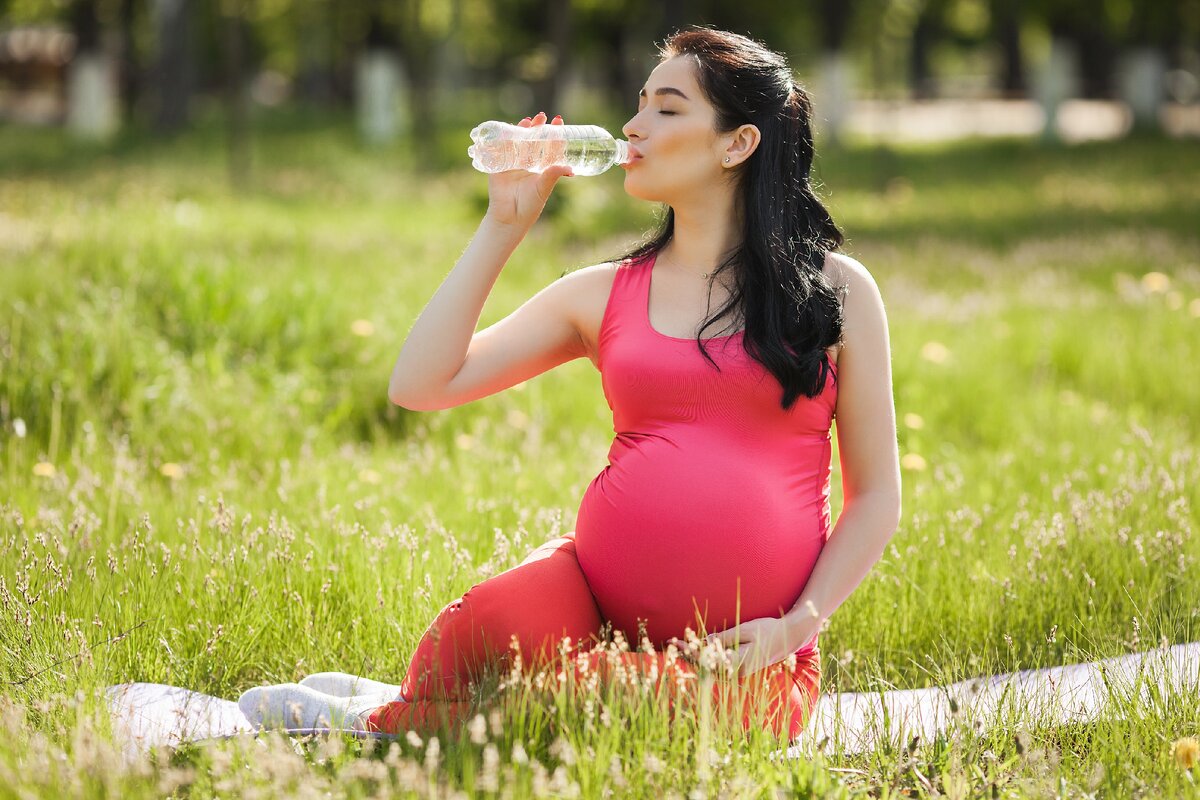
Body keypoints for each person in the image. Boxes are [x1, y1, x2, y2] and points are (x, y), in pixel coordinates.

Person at [239, 26, 901, 743]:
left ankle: (377, 720)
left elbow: (875, 496)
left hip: (750, 662)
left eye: (667, 109)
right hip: (594, 599)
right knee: (488, 628)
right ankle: (403, 708)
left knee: (588, 697)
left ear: (736, 144)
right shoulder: (603, 294)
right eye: (639, 102)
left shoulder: (834, 293)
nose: (632, 124)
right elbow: (420, 384)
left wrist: (799, 626)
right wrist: (503, 223)